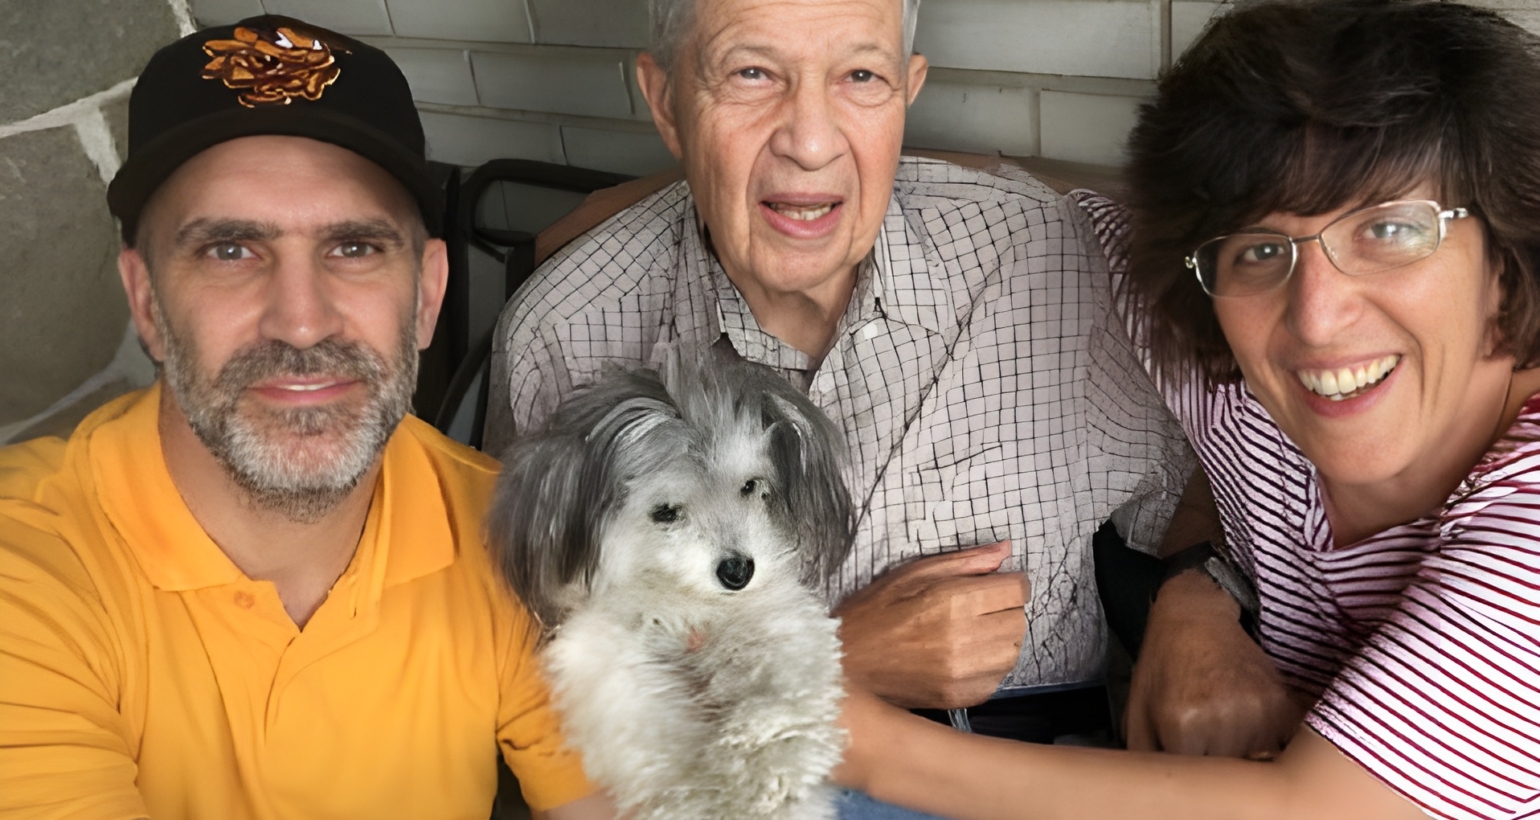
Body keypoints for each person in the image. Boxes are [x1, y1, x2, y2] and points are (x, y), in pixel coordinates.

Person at [485, 0, 1197, 812]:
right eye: (752, 74)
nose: (812, 141)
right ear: (667, 103)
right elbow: (539, 687)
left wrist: (1199, 602)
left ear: (907, 91)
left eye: (860, 76)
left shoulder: (1051, 263)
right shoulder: (565, 330)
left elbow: (1203, 487)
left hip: (1029, 766)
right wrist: (838, 656)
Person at [834, 1, 1540, 817]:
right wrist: (1194, 591)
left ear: (1506, 249)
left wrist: (834, 720)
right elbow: (1041, 209)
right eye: (1263, 248)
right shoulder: (1229, 365)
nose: (1316, 318)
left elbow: (1303, 809)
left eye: (1388, 229)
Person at [0, 17, 611, 820]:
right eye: (230, 250)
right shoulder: (27, 569)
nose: (300, 321)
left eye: (354, 248)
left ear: (428, 296)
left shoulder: (509, 533)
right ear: (147, 302)